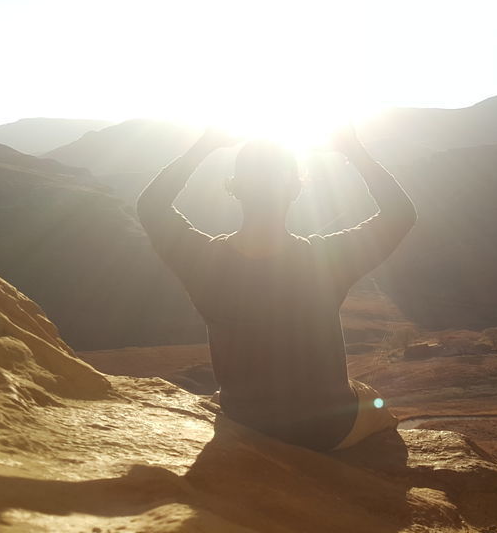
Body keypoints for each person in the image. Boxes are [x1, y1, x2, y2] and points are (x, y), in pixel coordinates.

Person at [136, 127, 417, 451]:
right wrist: (354, 151)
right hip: (327, 429)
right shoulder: (324, 260)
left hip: (246, 420)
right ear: (295, 190)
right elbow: (401, 214)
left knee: (221, 397)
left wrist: (202, 148)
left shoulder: (202, 261)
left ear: (234, 188)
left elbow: (150, 206)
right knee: (374, 401)